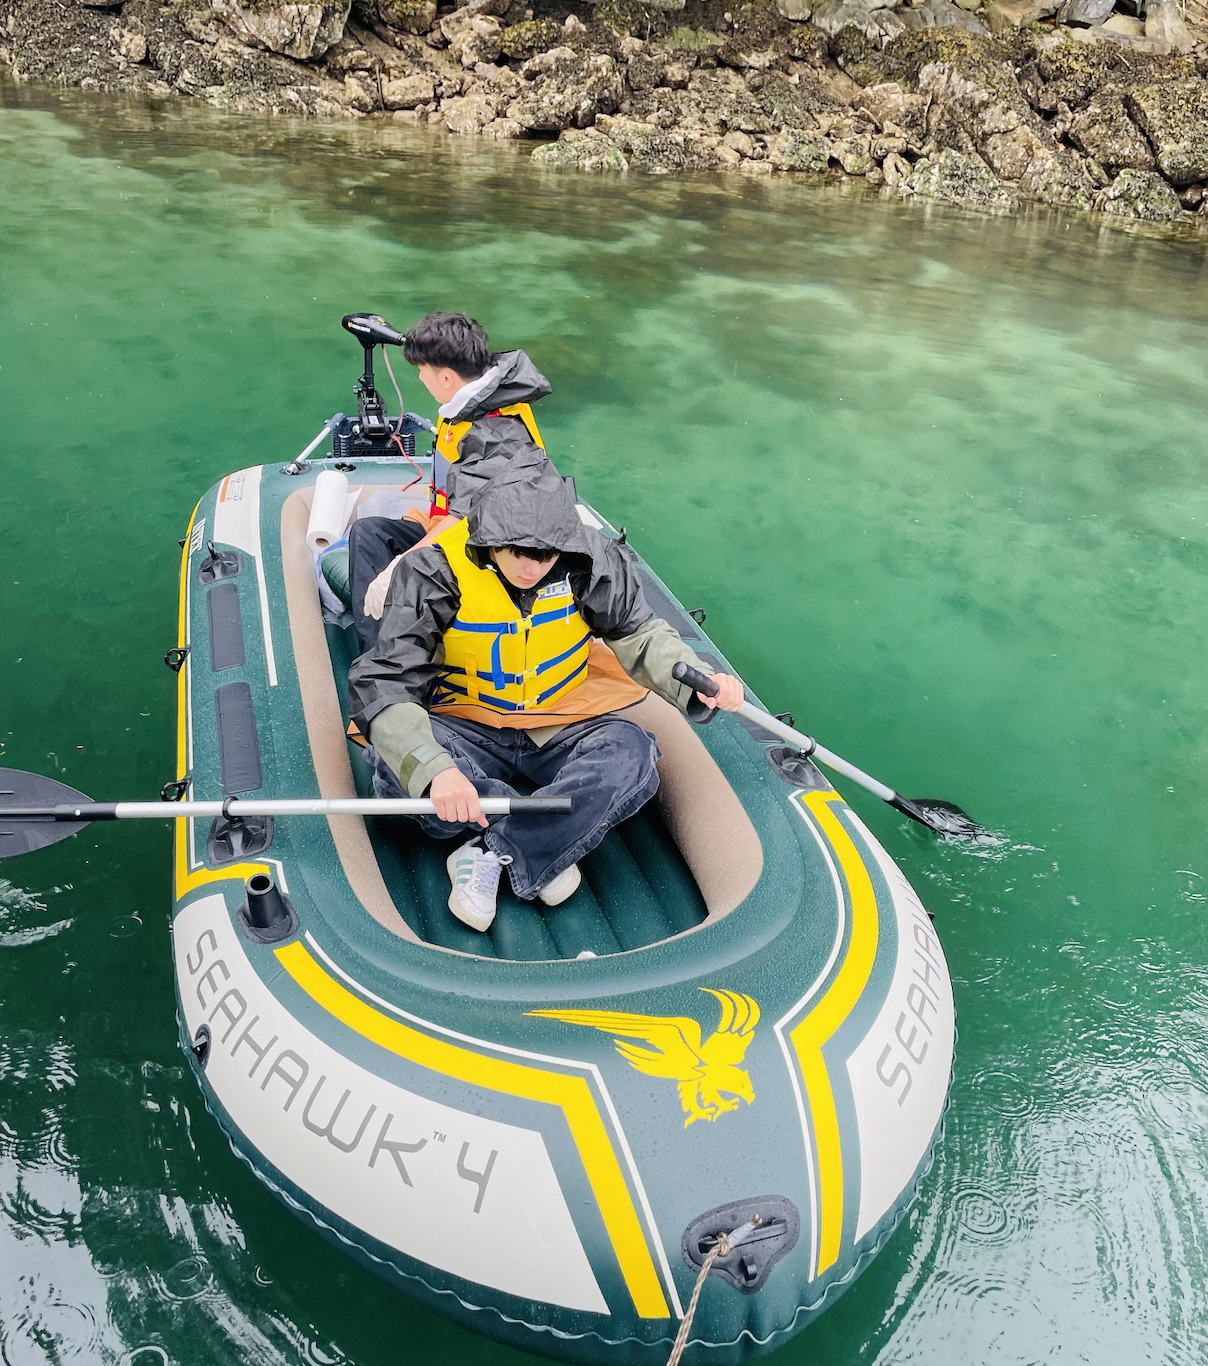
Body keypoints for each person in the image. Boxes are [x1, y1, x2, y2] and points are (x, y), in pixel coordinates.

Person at [347, 464, 744, 932]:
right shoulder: (433, 570)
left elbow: (640, 636)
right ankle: (548, 841)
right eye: (519, 552)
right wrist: (437, 771)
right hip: (463, 722)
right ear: (489, 537)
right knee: (399, 770)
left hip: (560, 720)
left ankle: (492, 850)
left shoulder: (591, 561)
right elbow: (390, 677)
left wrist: (697, 679)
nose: (533, 567)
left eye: (547, 554)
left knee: (633, 753)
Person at [348, 311, 554, 650]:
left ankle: (382, 664)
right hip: (458, 530)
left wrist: (401, 564)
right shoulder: (475, 402)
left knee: (398, 564)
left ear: (445, 377)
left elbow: (467, 520)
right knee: (369, 534)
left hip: (488, 551)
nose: (419, 379)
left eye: (421, 371)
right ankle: (379, 642)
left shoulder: (495, 433)